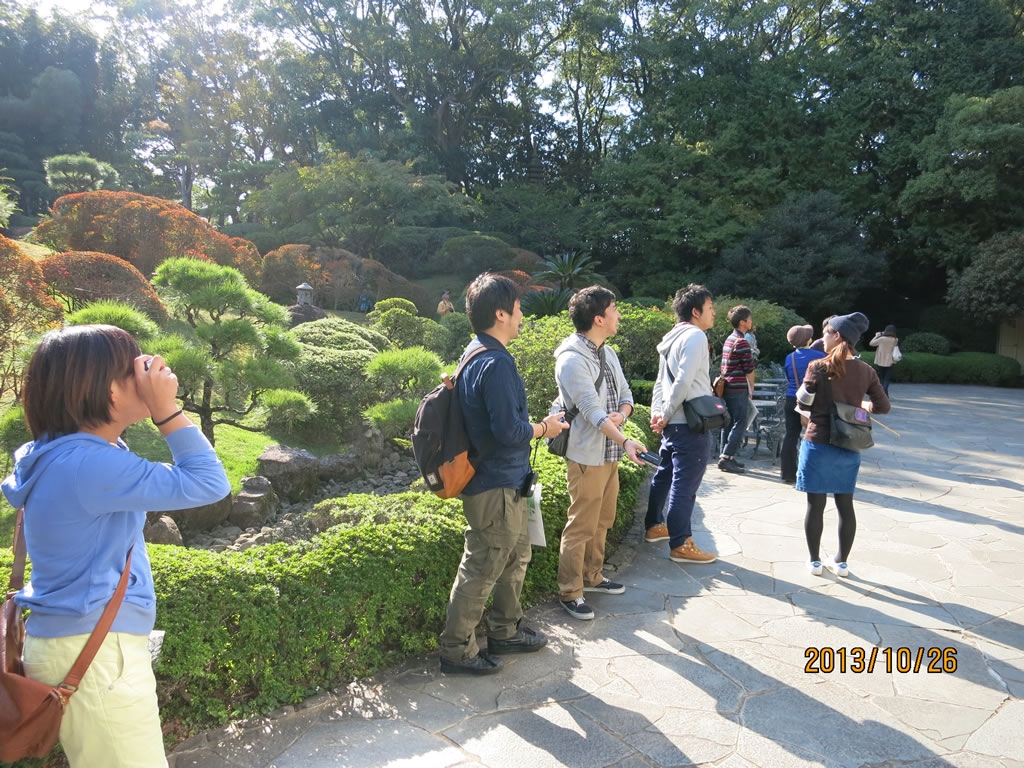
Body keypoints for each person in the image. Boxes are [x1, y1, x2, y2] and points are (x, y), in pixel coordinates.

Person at [1, 325, 230, 768]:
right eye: (134, 368)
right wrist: (166, 411)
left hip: (78, 642)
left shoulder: (61, 453)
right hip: (97, 654)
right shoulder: (88, 463)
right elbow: (209, 483)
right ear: (104, 386)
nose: (147, 374)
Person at [438, 273, 569, 675]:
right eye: (517, 308)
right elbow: (508, 432)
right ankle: (456, 650)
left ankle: (505, 630)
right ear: (501, 313)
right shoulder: (494, 363)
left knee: (516, 555)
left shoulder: (477, 351)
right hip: (493, 484)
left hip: (505, 480)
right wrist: (545, 428)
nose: (522, 315)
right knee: (483, 565)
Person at [553, 286, 645, 621]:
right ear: (598, 318)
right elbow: (591, 411)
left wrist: (623, 413)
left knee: (603, 520)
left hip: (609, 453)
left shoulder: (607, 352)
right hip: (586, 454)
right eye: (614, 309)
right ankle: (570, 591)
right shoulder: (571, 359)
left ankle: (593, 576)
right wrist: (624, 439)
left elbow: (626, 394)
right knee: (581, 526)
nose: (619, 314)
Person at [796, 312, 890, 577]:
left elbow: (803, 403)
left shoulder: (818, 366)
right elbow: (883, 407)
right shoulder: (867, 370)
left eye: (826, 333)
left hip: (819, 442)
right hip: (849, 445)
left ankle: (814, 561)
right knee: (845, 505)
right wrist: (862, 405)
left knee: (815, 505)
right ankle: (841, 562)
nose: (822, 338)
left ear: (837, 335)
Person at [642, 284, 718, 563]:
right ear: (696, 311)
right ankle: (680, 543)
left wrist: (659, 413)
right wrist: (666, 412)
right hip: (691, 423)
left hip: (674, 423)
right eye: (710, 308)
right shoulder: (696, 336)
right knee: (685, 484)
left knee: (664, 475)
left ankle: (654, 526)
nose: (714, 314)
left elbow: (661, 382)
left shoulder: (671, 337)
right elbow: (684, 381)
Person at [781, 324, 825, 484]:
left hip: (792, 398)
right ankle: (813, 472)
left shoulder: (789, 357)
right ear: (809, 339)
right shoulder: (820, 356)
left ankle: (788, 474)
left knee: (791, 436)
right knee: (815, 436)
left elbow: (788, 376)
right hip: (812, 400)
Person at [718, 305, 756, 473]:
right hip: (738, 387)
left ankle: (727, 456)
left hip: (727, 385)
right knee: (740, 422)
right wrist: (751, 388)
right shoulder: (742, 342)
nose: (751, 322)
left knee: (729, 422)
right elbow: (749, 369)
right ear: (743, 322)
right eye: (749, 319)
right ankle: (726, 457)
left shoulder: (729, 339)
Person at [869, 324, 899, 396]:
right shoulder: (895, 340)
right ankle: (885, 393)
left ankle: (882, 392)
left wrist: (877, 336)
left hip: (880, 360)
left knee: (881, 377)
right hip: (890, 361)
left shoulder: (881, 339)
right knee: (887, 378)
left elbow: (871, 343)